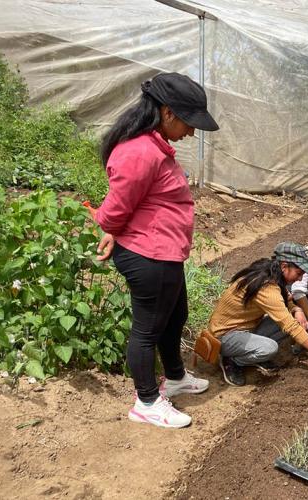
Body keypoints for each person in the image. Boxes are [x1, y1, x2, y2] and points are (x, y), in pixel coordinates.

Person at [92, 72, 219, 428]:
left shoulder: (154, 147)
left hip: (164, 251)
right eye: (189, 123)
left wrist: (113, 229)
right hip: (148, 255)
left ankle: (176, 377)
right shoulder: (139, 152)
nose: (192, 132)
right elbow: (116, 208)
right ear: (167, 112)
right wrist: (107, 225)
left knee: (174, 317)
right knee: (147, 330)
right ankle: (146, 401)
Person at [206, 242, 308, 386]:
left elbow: (284, 300)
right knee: (270, 348)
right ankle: (232, 360)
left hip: (244, 328)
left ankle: (248, 354)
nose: (300, 278)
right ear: (284, 266)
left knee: (293, 320)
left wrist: (297, 310)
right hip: (224, 336)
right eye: (299, 273)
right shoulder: (267, 287)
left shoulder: (269, 272)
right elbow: (291, 326)